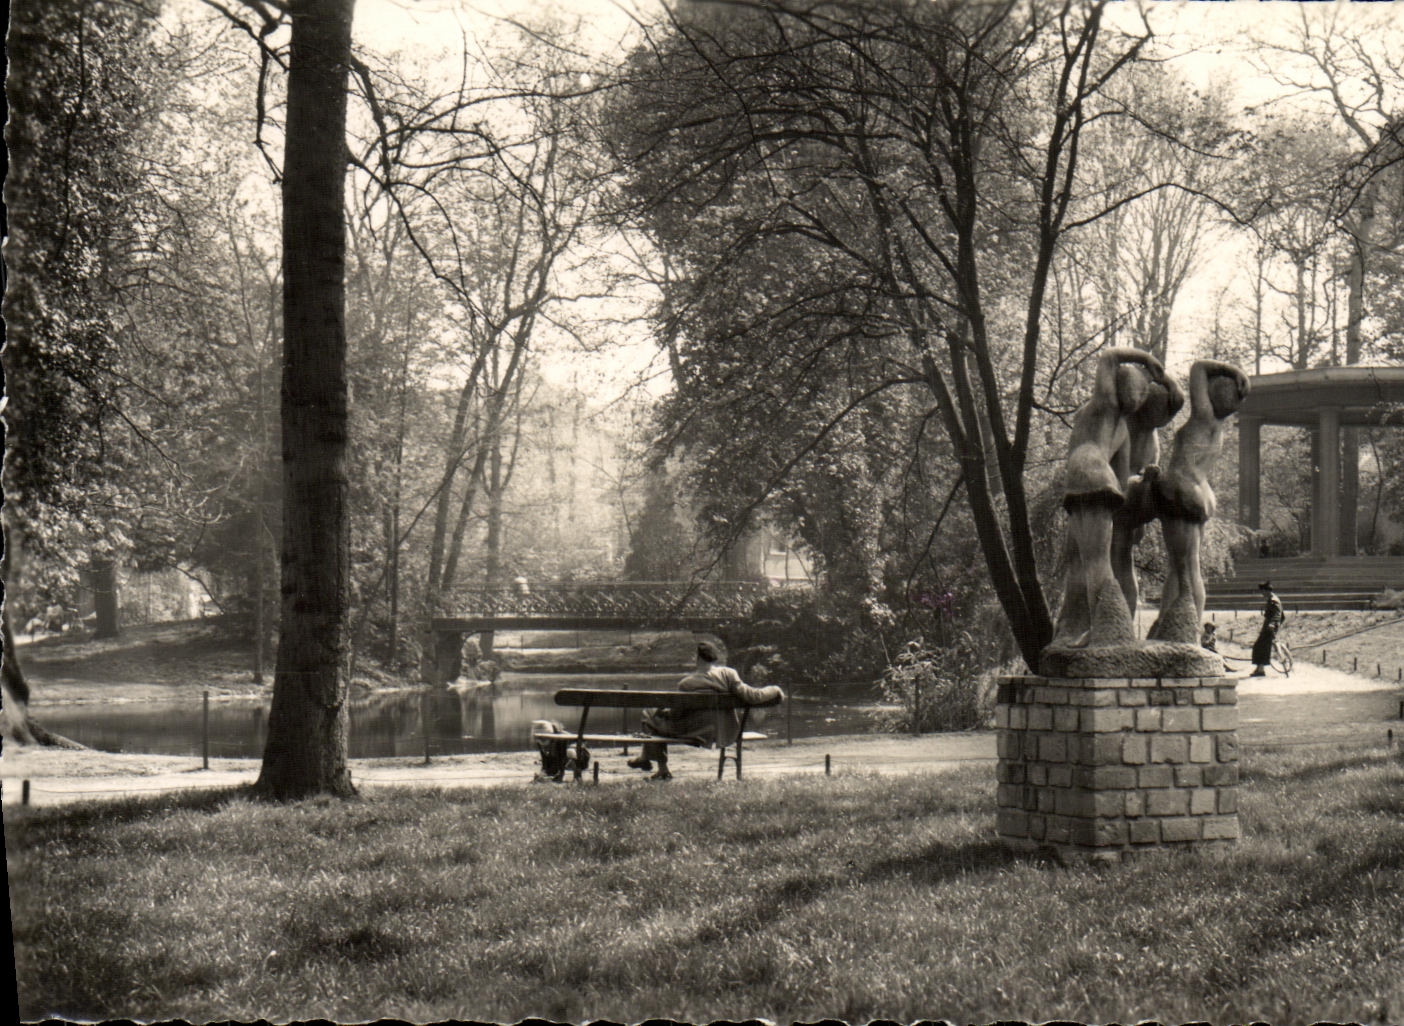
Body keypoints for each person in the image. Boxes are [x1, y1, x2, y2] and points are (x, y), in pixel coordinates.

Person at [1052, 347, 1177, 649]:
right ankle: (1091, 625)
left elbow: (1109, 357)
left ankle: (1107, 627)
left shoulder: (1105, 405)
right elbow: (1120, 484)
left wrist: (1145, 360)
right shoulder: (1122, 428)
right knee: (1095, 559)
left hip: (1086, 476)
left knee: (1094, 561)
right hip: (1103, 485)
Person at [1142, 359, 1250, 645]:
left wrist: (1233, 371)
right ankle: (1169, 624)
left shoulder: (1203, 417)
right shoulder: (1218, 429)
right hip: (1197, 491)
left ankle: (1187, 629)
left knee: (1186, 568)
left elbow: (1198, 368)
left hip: (1182, 490)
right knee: (1181, 566)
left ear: (1213, 396)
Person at [627, 641, 784, 780]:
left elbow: (677, 714)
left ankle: (659, 767)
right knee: (655, 717)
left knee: (649, 715)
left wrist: (664, 712)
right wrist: (774, 689)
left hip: (696, 732)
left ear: (698, 658)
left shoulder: (687, 683)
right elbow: (751, 695)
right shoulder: (728, 674)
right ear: (714, 658)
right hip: (724, 732)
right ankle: (645, 758)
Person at [1250, 580, 1285, 677]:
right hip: (1267, 626)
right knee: (1259, 646)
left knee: (1262, 646)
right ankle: (1259, 667)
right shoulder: (1271, 599)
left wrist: (1272, 624)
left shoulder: (1274, 600)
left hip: (1270, 627)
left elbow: (1277, 614)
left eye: (1262, 592)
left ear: (1267, 591)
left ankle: (1261, 669)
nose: (1262, 594)